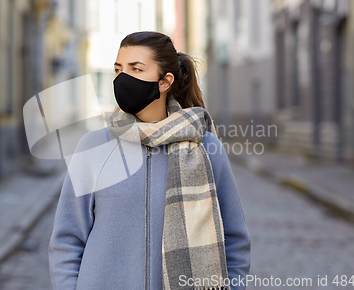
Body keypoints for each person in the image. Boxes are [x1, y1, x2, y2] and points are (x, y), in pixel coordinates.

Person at [48, 31, 251, 290]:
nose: (123, 78)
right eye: (118, 69)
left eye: (136, 69)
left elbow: (234, 239)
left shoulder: (206, 148)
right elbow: (66, 241)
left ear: (165, 82)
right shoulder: (93, 148)